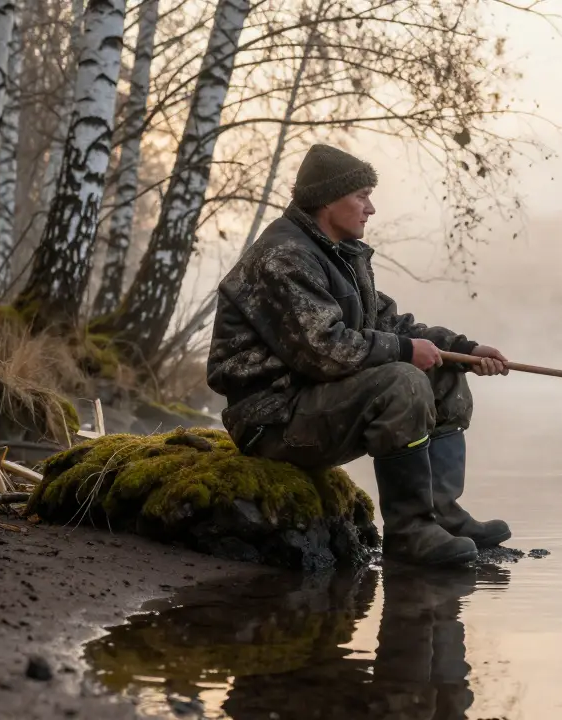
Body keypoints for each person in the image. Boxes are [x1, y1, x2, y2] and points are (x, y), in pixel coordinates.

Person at [206, 143, 511, 566]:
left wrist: (464, 350)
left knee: (443, 374)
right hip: (270, 420)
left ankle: (441, 515)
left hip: (309, 403)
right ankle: (410, 534)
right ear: (327, 200)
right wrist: (405, 352)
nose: (371, 208)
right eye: (362, 195)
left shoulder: (340, 255)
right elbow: (323, 351)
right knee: (403, 382)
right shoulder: (284, 257)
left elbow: (388, 325)